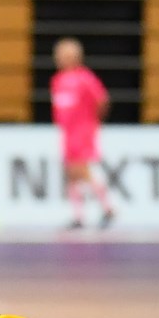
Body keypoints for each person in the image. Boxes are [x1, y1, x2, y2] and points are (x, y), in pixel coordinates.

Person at [51, 38, 113, 230]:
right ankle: (79, 216)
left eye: (65, 54)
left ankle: (108, 208)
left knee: (81, 170)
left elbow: (102, 100)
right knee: (70, 173)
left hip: (82, 130)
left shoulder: (85, 78)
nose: (60, 58)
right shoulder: (58, 80)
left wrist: (93, 122)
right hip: (67, 132)